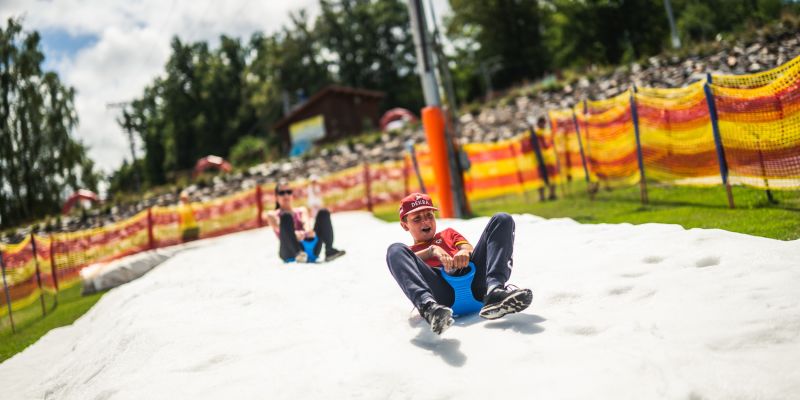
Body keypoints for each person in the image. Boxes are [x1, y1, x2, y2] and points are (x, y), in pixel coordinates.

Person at [386, 193, 533, 335]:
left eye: (429, 215)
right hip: (443, 297)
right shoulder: (407, 253)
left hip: (476, 285)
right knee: (394, 249)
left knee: (502, 218)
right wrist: (431, 251)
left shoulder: (448, 233)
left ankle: (495, 291)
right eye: (417, 219)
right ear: (405, 225)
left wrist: (464, 252)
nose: (426, 222)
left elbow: (468, 248)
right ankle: (429, 308)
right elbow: (404, 259)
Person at [266, 180, 345, 263]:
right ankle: (298, 254)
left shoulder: (301, 210)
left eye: (288, 192)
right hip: (290, 252)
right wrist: (294, 234)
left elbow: (306, 222)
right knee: (286, 216)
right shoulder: (272, 214)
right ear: (276, 197)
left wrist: (308, 231)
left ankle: (329, 250)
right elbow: (280, 228)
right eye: (282, 193)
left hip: (309, 248)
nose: (286, 195)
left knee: (323, 212)